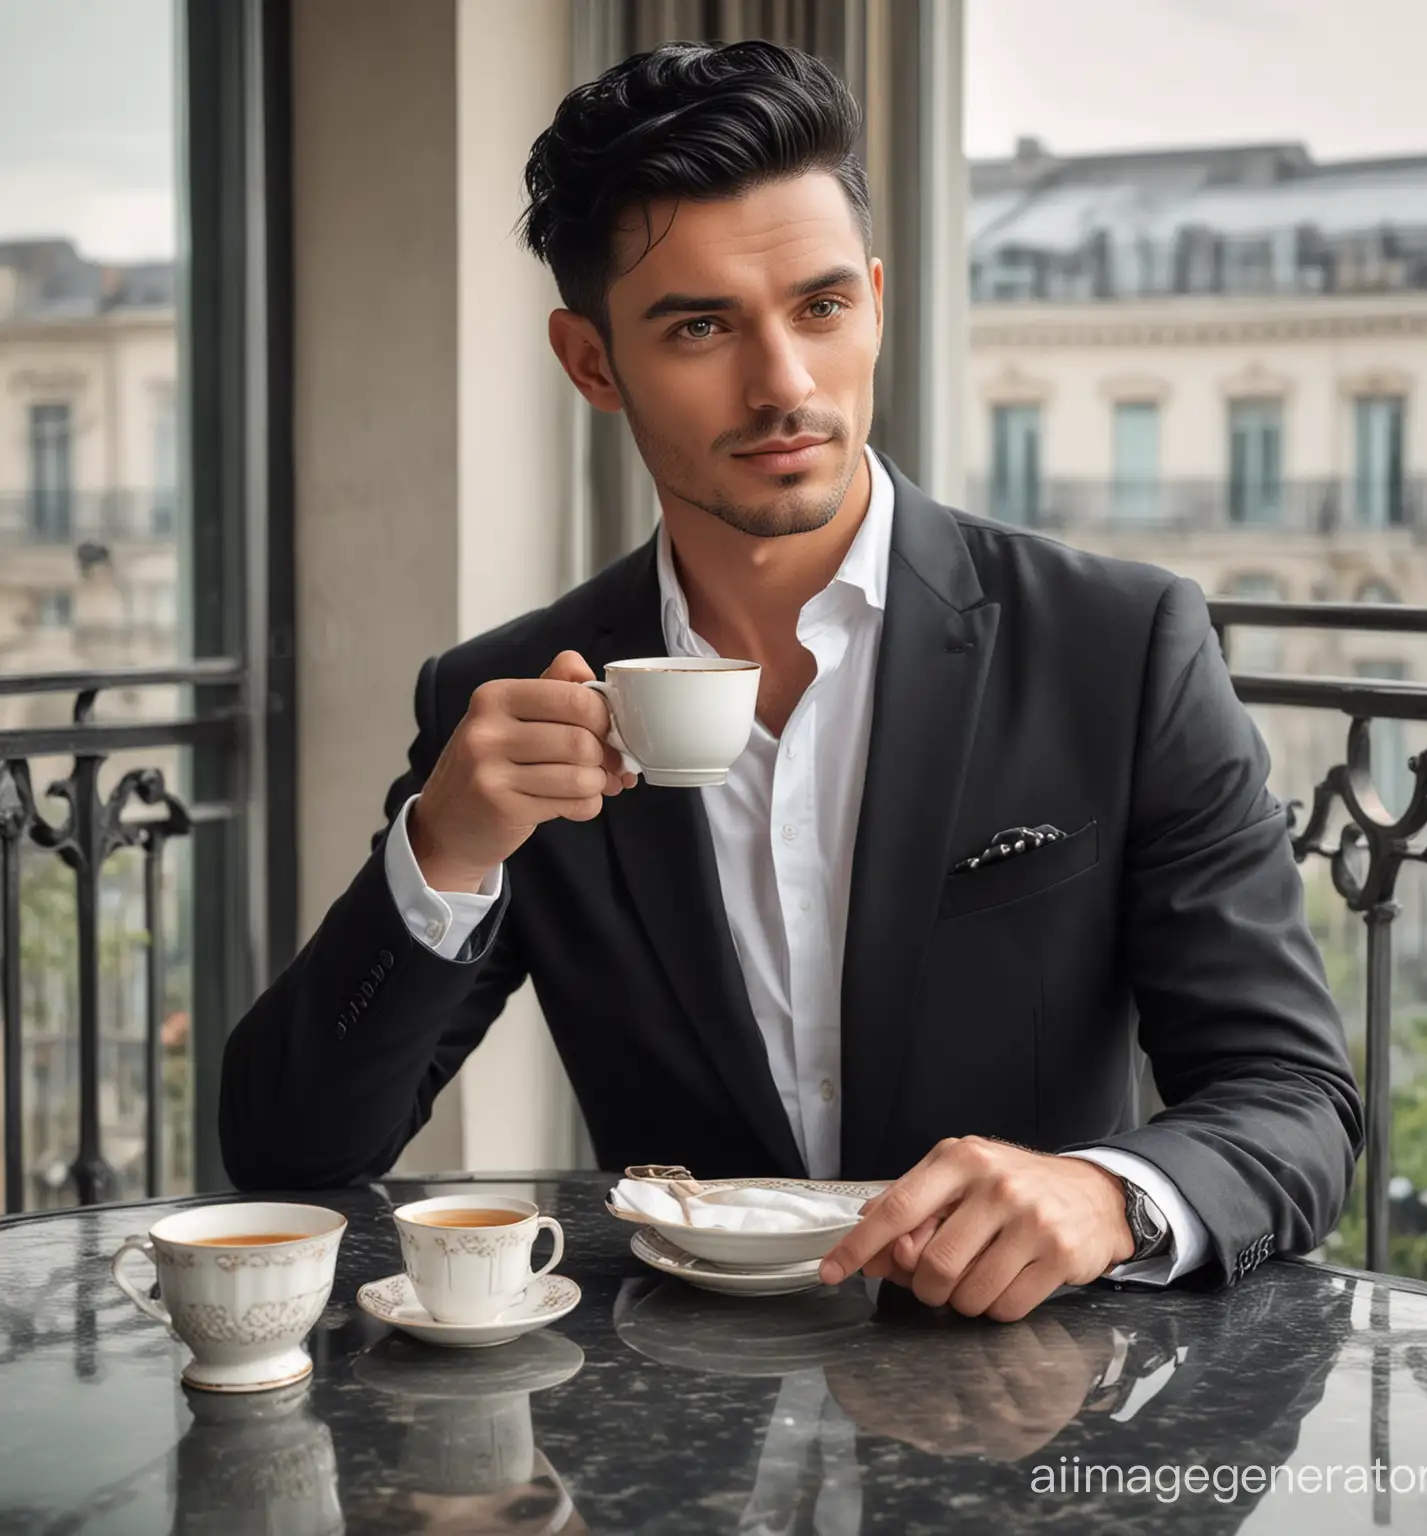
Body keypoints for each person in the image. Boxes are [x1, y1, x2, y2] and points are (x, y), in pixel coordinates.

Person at [220, 40, 1363, 1321]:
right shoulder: (509, 698)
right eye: (701, 326)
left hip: (1032, 1421)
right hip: (680, 1426)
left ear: (875, 300)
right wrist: (445, 850)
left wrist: (1111, 1194)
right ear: (591, 362)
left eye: (819, 309)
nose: (784, 386)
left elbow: (1295, 1103)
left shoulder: (1119, 643)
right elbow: (291, 1159)